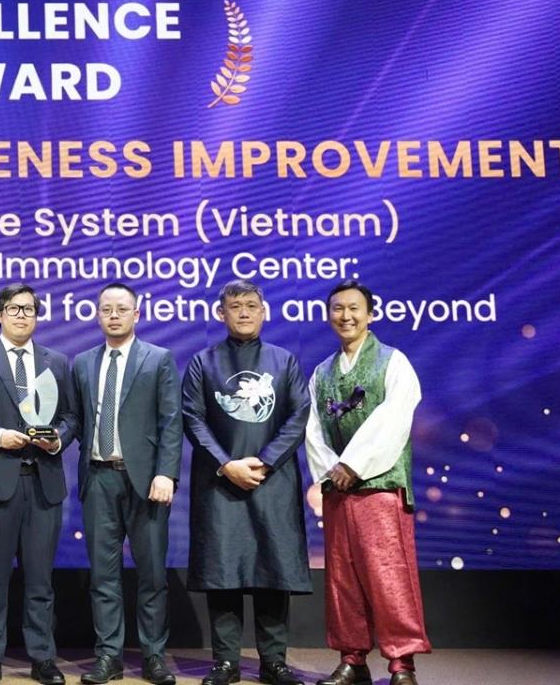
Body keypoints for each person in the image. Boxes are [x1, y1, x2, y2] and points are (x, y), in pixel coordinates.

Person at [182, 279, 311, 685]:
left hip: (272, 482)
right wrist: (226, 465)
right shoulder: (203, 363)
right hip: (220, 484)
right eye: (234, 306)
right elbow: (192, 418)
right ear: (221, 313)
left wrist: (267, 461)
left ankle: (274, 662)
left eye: (251, 305)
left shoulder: (283, 361)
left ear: (263, 311)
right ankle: (225, 662)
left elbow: (299, 415)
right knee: (224, 573)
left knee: (272, 570)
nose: (243, 312)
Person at [0, 283, 79, 685]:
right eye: (14, 308)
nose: (22, 315)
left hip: (44, 482)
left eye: (29, 309)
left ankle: (42, 657)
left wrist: (58, 439)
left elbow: (72, 416)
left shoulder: (57, 361)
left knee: (40, 578)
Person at [304, 280, 430, 685]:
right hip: (338, 489)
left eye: (354, 308)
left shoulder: (393, 362)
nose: (346, 316)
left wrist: (354, 465)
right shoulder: (321, 373)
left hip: (380, 485)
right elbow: (313, 430)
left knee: (388, 574)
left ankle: (402, 665)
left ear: (370, 314)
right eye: (338, 309)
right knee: (342, 577)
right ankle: (352, 659)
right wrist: (333, 471)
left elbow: (394, 419)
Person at [71, 283, 182, 685]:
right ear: (98, 316)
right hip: (99, 477)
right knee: (103, 576)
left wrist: (166, 472)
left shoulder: (158, 358)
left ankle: (153, 656)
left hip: (147, 481)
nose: (114, 315)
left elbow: (171, 420)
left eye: (122, 309)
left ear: (137, 314)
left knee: (152, 575)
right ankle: (108, 656)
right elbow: (77, 420)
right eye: (106, 309)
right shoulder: (82, 363)